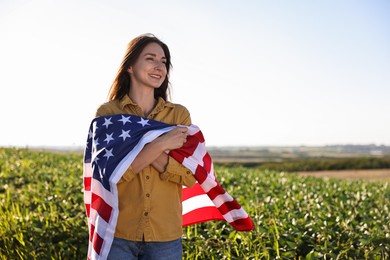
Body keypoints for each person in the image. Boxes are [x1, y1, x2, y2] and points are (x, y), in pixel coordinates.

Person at [95, 33, 196, 259]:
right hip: (117, 234)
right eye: (150, 58)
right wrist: (161, 144)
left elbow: (189, 175)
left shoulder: (178, 115)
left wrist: (134, 154)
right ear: (130, 66)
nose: (159, 66)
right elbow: (110, 177)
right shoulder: (108, 114)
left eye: (163, 62)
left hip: (165, 238)